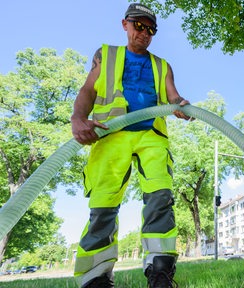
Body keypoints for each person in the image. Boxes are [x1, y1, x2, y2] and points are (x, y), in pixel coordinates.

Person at [71, 3, 191, 288]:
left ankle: (160, 270)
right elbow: (89, 89)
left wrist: (181, 105)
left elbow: (173, 96)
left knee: (160, 198)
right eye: (139, 26)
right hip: (111, 135)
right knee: (103, 205)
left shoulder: (162, 65)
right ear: (124, 24)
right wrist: (78, 118)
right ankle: (95, 277)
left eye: (151, 30)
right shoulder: (106, 56)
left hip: (152, 137)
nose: (144, 33)